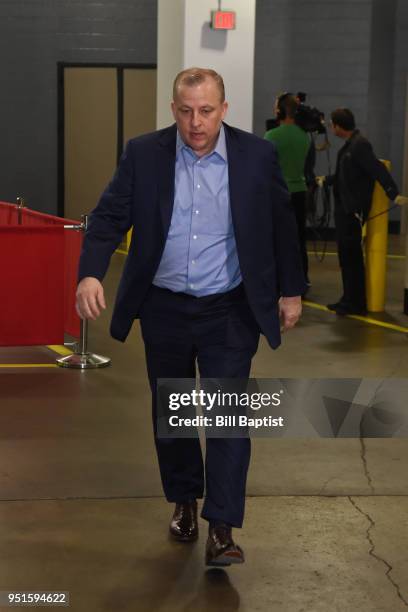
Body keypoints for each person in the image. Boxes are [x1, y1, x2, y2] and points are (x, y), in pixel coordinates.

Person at [76, 67, 306, 567]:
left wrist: (291, 290)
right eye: (185, 111)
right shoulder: (144, 153)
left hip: (230, 307)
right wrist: (91, 273)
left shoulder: (256, 155)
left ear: (224, 109)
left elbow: (281, 226)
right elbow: (111, 215)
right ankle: (184, 500)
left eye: (205, 111)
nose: (195, 123)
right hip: (165, 308)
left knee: (227, 418)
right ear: (172, 109)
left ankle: (221, 527)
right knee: (176, 415)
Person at [321, 108, 408, 316]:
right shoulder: (351, 146)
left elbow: (377, 169)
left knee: (352, 259)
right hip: (345, 210)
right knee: (346, 256)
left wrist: (393, 193)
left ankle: (356, 303)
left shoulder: (360, 146)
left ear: (339, 126)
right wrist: (325, 180)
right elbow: (345, 175)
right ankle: (347, 298)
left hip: (352, 212)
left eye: (333, 124)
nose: (332, 128)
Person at [264, 93, 313, 289]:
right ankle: (302, 281)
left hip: (278, 194)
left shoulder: (271, 136)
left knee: (276, 239)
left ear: (280, 111)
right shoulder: (304, 136)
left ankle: (280, 282)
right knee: (298, 239)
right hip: (300, 192)